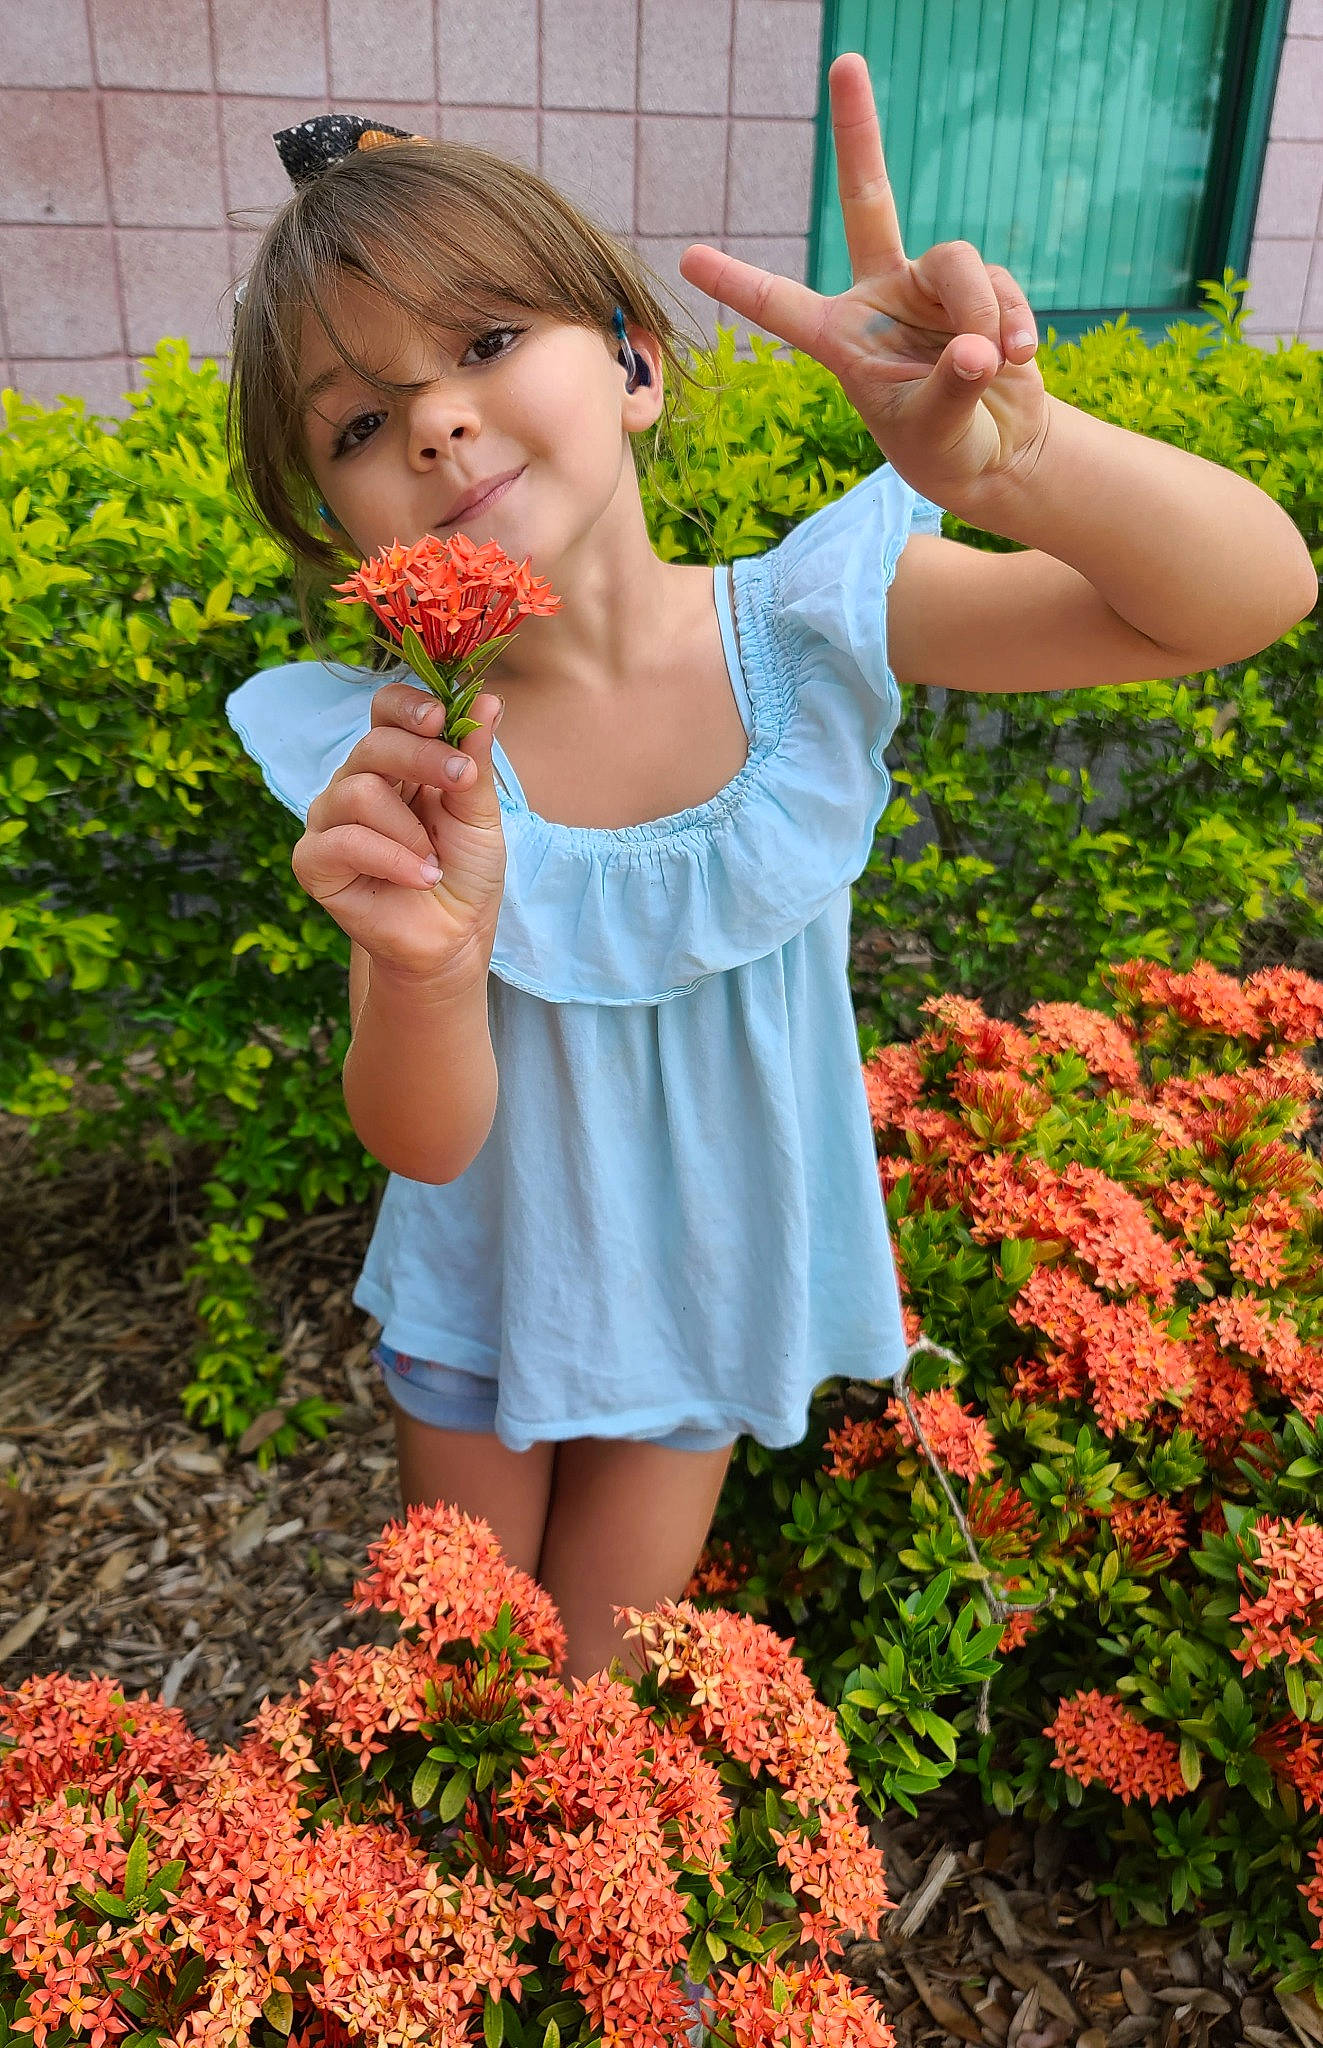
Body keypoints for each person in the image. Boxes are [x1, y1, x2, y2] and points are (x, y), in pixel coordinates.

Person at [225, 58, 1315, 1696]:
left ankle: (586, 1937)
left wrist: (1012, 464)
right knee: (449, 1670)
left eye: (487, 342)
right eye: (363, 424)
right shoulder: (400, 752)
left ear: (638, 361)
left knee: (601, 1689)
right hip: (476, 1287)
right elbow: (422, 1136)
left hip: (702, 1298)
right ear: (343, 523)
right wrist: (436, 964)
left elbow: (1246, 596)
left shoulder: (804, 631)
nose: (439, 419)